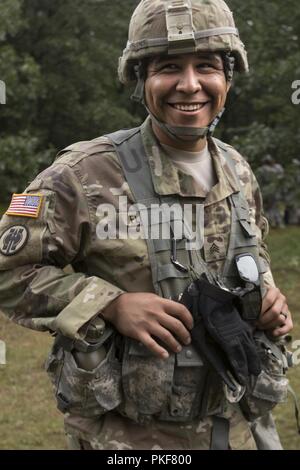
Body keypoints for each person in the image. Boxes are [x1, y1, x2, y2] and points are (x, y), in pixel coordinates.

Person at [0, 0, 293, 451]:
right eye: (169, 67)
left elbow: (251, 253)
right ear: (141, 79)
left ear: (228, 76)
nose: (190, 84)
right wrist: (109, 304)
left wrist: (267, 295)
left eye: (207, 66)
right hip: (130, 441)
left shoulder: (237, 168)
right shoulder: (82, 174)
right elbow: (9, 270)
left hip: (233, 427)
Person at [256, 155, 285, 228]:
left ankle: (271, 223)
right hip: (275, 190)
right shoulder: (276, 170)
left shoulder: (261, 170)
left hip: (266, 190)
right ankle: (278, 223)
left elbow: (258, 181)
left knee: (268, 208)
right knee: (274, 207)